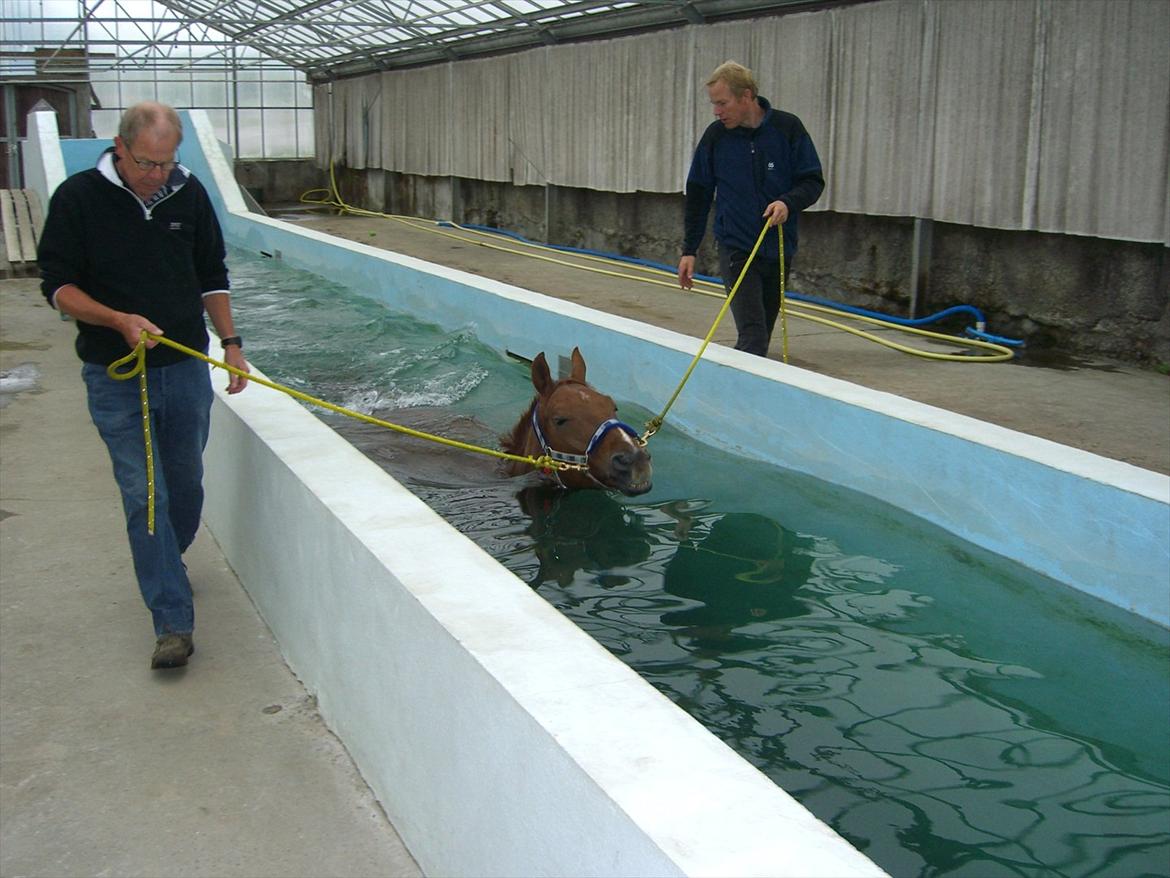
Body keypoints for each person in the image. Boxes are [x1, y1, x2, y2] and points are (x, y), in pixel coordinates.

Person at [38, 101, 250, 670]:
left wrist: (231, 345)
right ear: (119, 146)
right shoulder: (78, 199)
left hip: (183, 369)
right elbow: (56, 287)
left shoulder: (190, 194)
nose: (158, 175)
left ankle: (166, 564)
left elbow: (213, 274)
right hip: (115, 374)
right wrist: (117, 320)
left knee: (185, 483)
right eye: (146, 163)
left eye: (167, 163)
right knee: (145, 495)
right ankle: (172, 622)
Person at [678, 61, 825, 357]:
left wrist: (787, 202)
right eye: (713, 104)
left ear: (746, 96)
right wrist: (689, 249)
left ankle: (740, 388)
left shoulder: (787, 128)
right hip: (736, 246)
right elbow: (698, 193)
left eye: (722, 103)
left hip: (778, 248)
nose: (717, 111)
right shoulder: (716, 137)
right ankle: (730, 396)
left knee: (762, 335)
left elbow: (812, 180)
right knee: (753, 335)